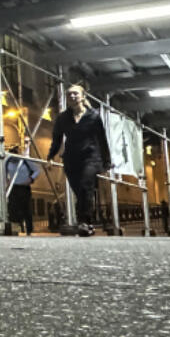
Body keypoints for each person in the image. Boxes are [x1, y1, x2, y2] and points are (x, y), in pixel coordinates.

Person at [48, 84, 112, 237]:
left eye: (75, 94)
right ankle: (86, 221)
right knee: (79, 190)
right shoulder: (63, 118)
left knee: (85, 186)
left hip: (91, 157)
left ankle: (84, 221)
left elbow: (102, 139)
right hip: (71, 158)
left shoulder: (94, 116)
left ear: (83, 96)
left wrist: (106, 160)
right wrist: (51, 155)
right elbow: (57, 139)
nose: (72, 96)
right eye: (69, 94)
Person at [5, 146, 38, 235]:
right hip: (14, 187)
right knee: (13, 208)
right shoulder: (8, 162)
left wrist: (31, 179)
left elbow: (37, 170)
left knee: (26, 208)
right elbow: (4, 172)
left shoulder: (25, 161)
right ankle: (15, 229)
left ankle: (29, 230)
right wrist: (7, 181)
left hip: (24, 187)